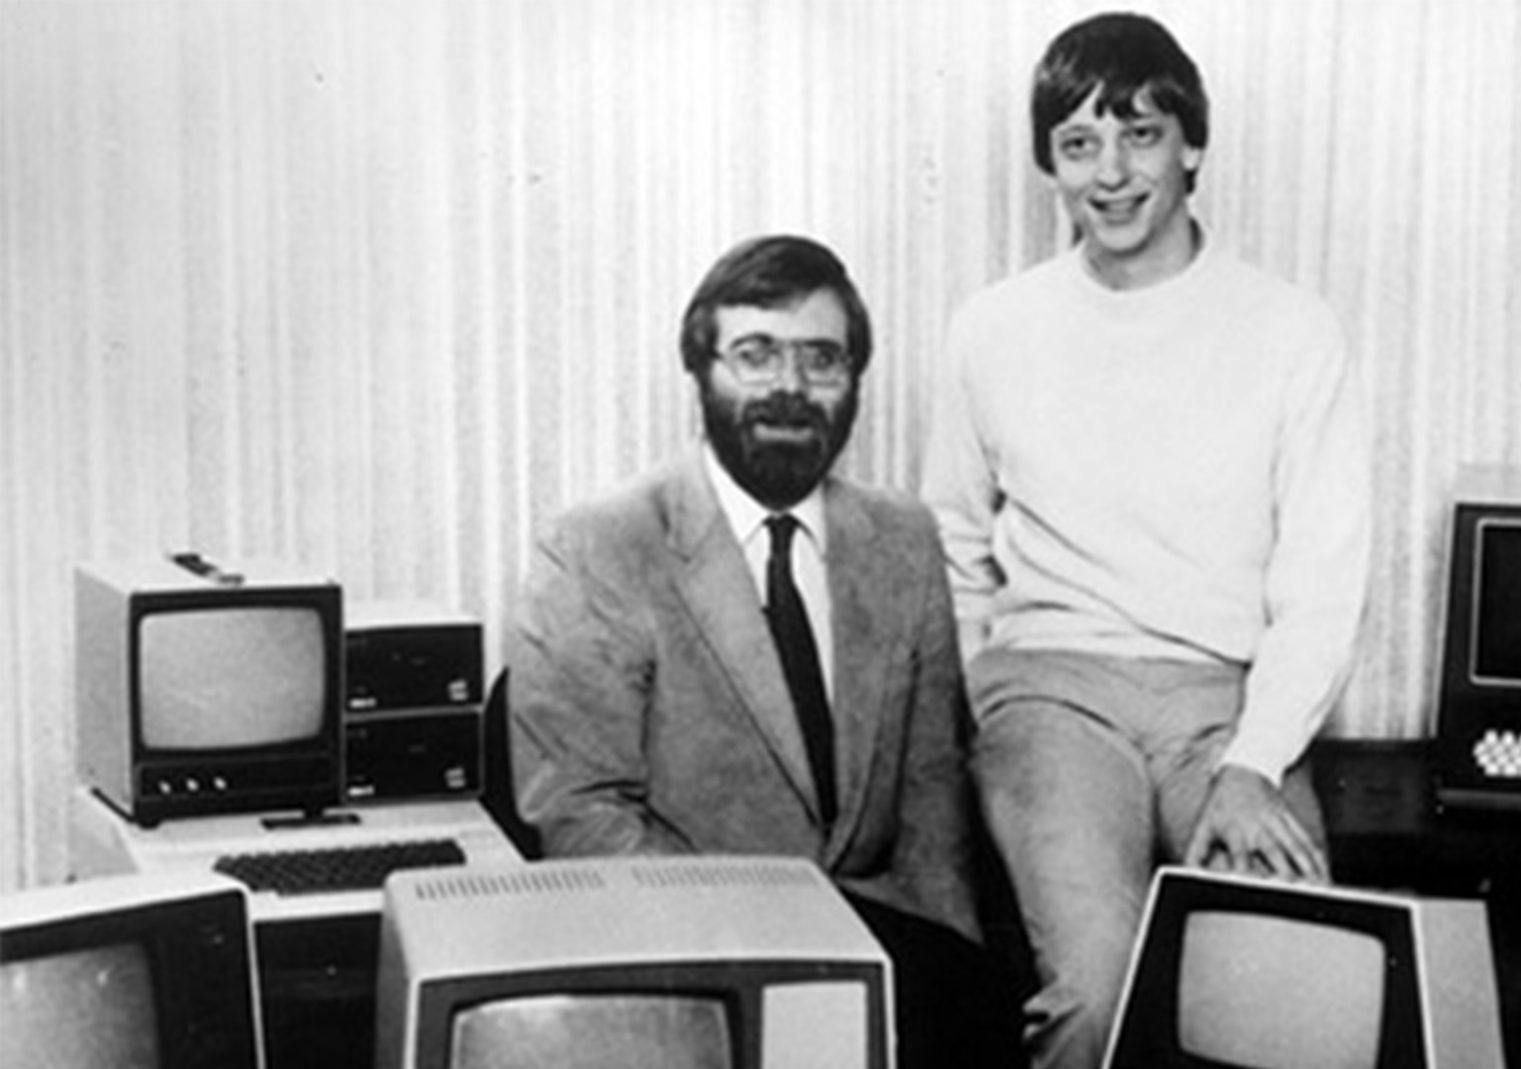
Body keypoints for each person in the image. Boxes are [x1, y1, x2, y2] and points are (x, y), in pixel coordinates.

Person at [920, 13, 1372, 1069]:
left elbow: (1323, 583)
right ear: (1050, 166)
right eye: (1079, 144)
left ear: (1192, 147)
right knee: (1101, 986)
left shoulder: (1292, 331)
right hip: (1052, 695)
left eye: (1141, 135)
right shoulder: (993, 328)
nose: (1112, 174)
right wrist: (989, 695)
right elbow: (950, 539)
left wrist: (1254, 763)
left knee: (1292, 978)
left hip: (1225, 707)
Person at [508, 234, 1021, 1069]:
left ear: (854, 381)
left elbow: (931, 803)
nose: (791, 386)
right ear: (701, 371)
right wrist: (760, 964)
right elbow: (582, 815)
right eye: (756, 355)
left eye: (821, 359)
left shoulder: (904, 538)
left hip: (881, 952)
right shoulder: (599, 544)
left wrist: (948, 974)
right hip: (696, 957)